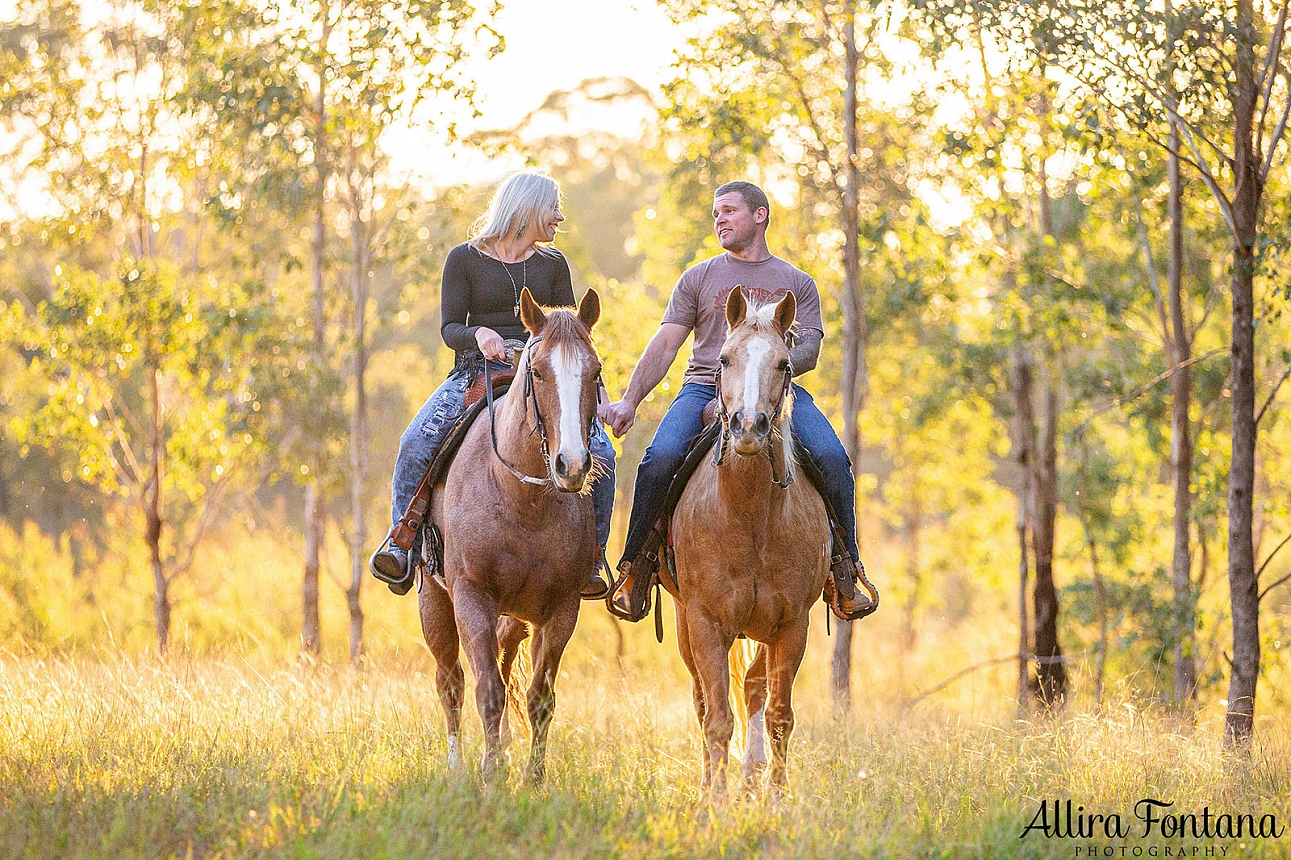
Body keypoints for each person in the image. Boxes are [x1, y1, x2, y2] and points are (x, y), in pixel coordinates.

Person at [603, 180, 871, 618]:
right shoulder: (700, 277)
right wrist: (629, 401)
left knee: (831, 457)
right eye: (715, 214)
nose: (720, 220)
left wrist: (765, 369)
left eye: (728, 211)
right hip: (703, 388)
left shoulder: (796, 284)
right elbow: (667, 343)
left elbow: (811, 351)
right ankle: (638, 568)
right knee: (660, 459)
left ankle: (845, 569)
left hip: (775, 393)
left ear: (759, 215)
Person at [371, 170, 615, 599]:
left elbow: (573, 338)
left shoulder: (553, 265)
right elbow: (449, 327)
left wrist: (600, 395)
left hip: (546, 377)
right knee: (414, 443)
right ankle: (402, 541)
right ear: (527, 209)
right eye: (552, 208)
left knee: (604, 455)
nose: (559, 217)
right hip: (475, 372)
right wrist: (478, 335)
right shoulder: (463, 259)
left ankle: (593, 557)